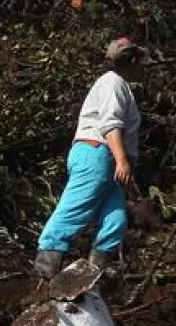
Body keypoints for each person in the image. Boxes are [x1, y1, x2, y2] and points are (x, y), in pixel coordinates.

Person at [34, 37, 147, 278]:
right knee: (77, 206)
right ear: (133, 60)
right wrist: (122, 160)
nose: (143, 66)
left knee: (115, 219)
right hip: (96, 153)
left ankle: (94, 271)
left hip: (109, 160)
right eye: (141, 61)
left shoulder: (121, 86)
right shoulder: (111, 83)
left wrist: (123, 162)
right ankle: (47, 260)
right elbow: (110, 124)